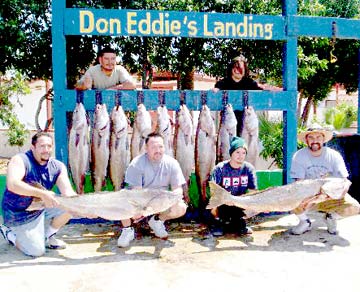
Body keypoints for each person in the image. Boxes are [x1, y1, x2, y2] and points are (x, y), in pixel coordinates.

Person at [0, 132, 76, 257]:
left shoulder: (58, 166)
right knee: (36, 251)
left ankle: (47, 236)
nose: (46, 150)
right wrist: (43, 194)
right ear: (33, 147)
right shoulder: (20, 160)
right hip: (18, 213)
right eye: (42, 146)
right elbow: (12, 184)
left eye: (49, 146)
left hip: (40, 206)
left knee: (71, 207)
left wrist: (84, 208)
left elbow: (68, 193)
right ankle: (9, 233)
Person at [117, 132, 188, 248]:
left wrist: (169, 201)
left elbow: (178, 190)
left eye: (160, 146)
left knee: (180, 208)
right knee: (121, 200)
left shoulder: (172, 163)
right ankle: (127, 229)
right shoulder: (136, 164)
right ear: (146, 148)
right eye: (154, 147)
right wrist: (142, 210)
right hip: (140, 200)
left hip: (159, 200)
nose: (158, 150)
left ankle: (157, 221)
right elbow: (137, 193)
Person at [289, 124, 350, 235]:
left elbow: (344, 181)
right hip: (309, 195)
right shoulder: (299, 156)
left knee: (354, 207)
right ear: (306, 140)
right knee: (291, 197)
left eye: (318, 137)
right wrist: (311, 198)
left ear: (323, 139)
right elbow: (299, 184)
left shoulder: (334, 155)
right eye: (311, 137)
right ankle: (304, 221)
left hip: (331, 194)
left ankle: (331, 217)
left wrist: (341, 192)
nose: (315, 141)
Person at [209, 136, 257, 236]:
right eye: (237, 152)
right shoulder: (220, 168)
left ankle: (240, 223)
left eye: (243, 153)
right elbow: (213, 190)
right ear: (231, 153)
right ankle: (218, 222)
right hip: (223, 202)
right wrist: (225, 199)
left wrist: (254, 206)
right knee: (213, 204)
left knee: (257, 205)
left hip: (240, 202)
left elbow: (254, 191)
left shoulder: (249, 168)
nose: (241, 155)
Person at [213, 55, 263, 136]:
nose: (238, 70)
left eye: (241, 68)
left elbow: (261, 89)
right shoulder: (223, 83)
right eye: (236, 67)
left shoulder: (249, 82)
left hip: (245, 121)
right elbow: (216, 90)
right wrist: (216, 90)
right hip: (227, 123)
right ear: (231, 68)